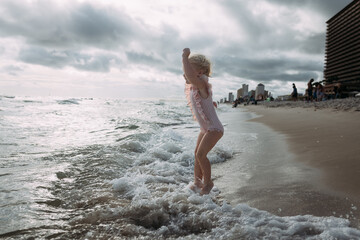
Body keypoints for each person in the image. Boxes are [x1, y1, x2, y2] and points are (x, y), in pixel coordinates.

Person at [183, 48, 224, 195]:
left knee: (201, 154)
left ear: (200, 73)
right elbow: (204, 102)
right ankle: (197, 181)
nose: (184, 73)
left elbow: (192, 78)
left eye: (188, 70)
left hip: (214, 129)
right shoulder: (196, 88)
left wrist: (184, 57)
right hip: (206, 129)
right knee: (196, 154)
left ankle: (208, 182)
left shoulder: (201, 84)